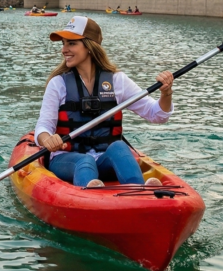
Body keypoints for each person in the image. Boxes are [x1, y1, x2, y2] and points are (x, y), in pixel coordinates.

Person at [34, 16, 174, 188]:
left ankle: (139, 193)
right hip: (68, 159)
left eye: (71, 43)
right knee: (84, 161)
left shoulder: (117, 81)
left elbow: (157, 115)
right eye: (63, 43)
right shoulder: (58, 84)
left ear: (90, 47)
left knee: (120, 148)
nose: (64, 50)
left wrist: (166, 93)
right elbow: (43, 127)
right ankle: (90, 195)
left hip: (103, 160)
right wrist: (47, 139)